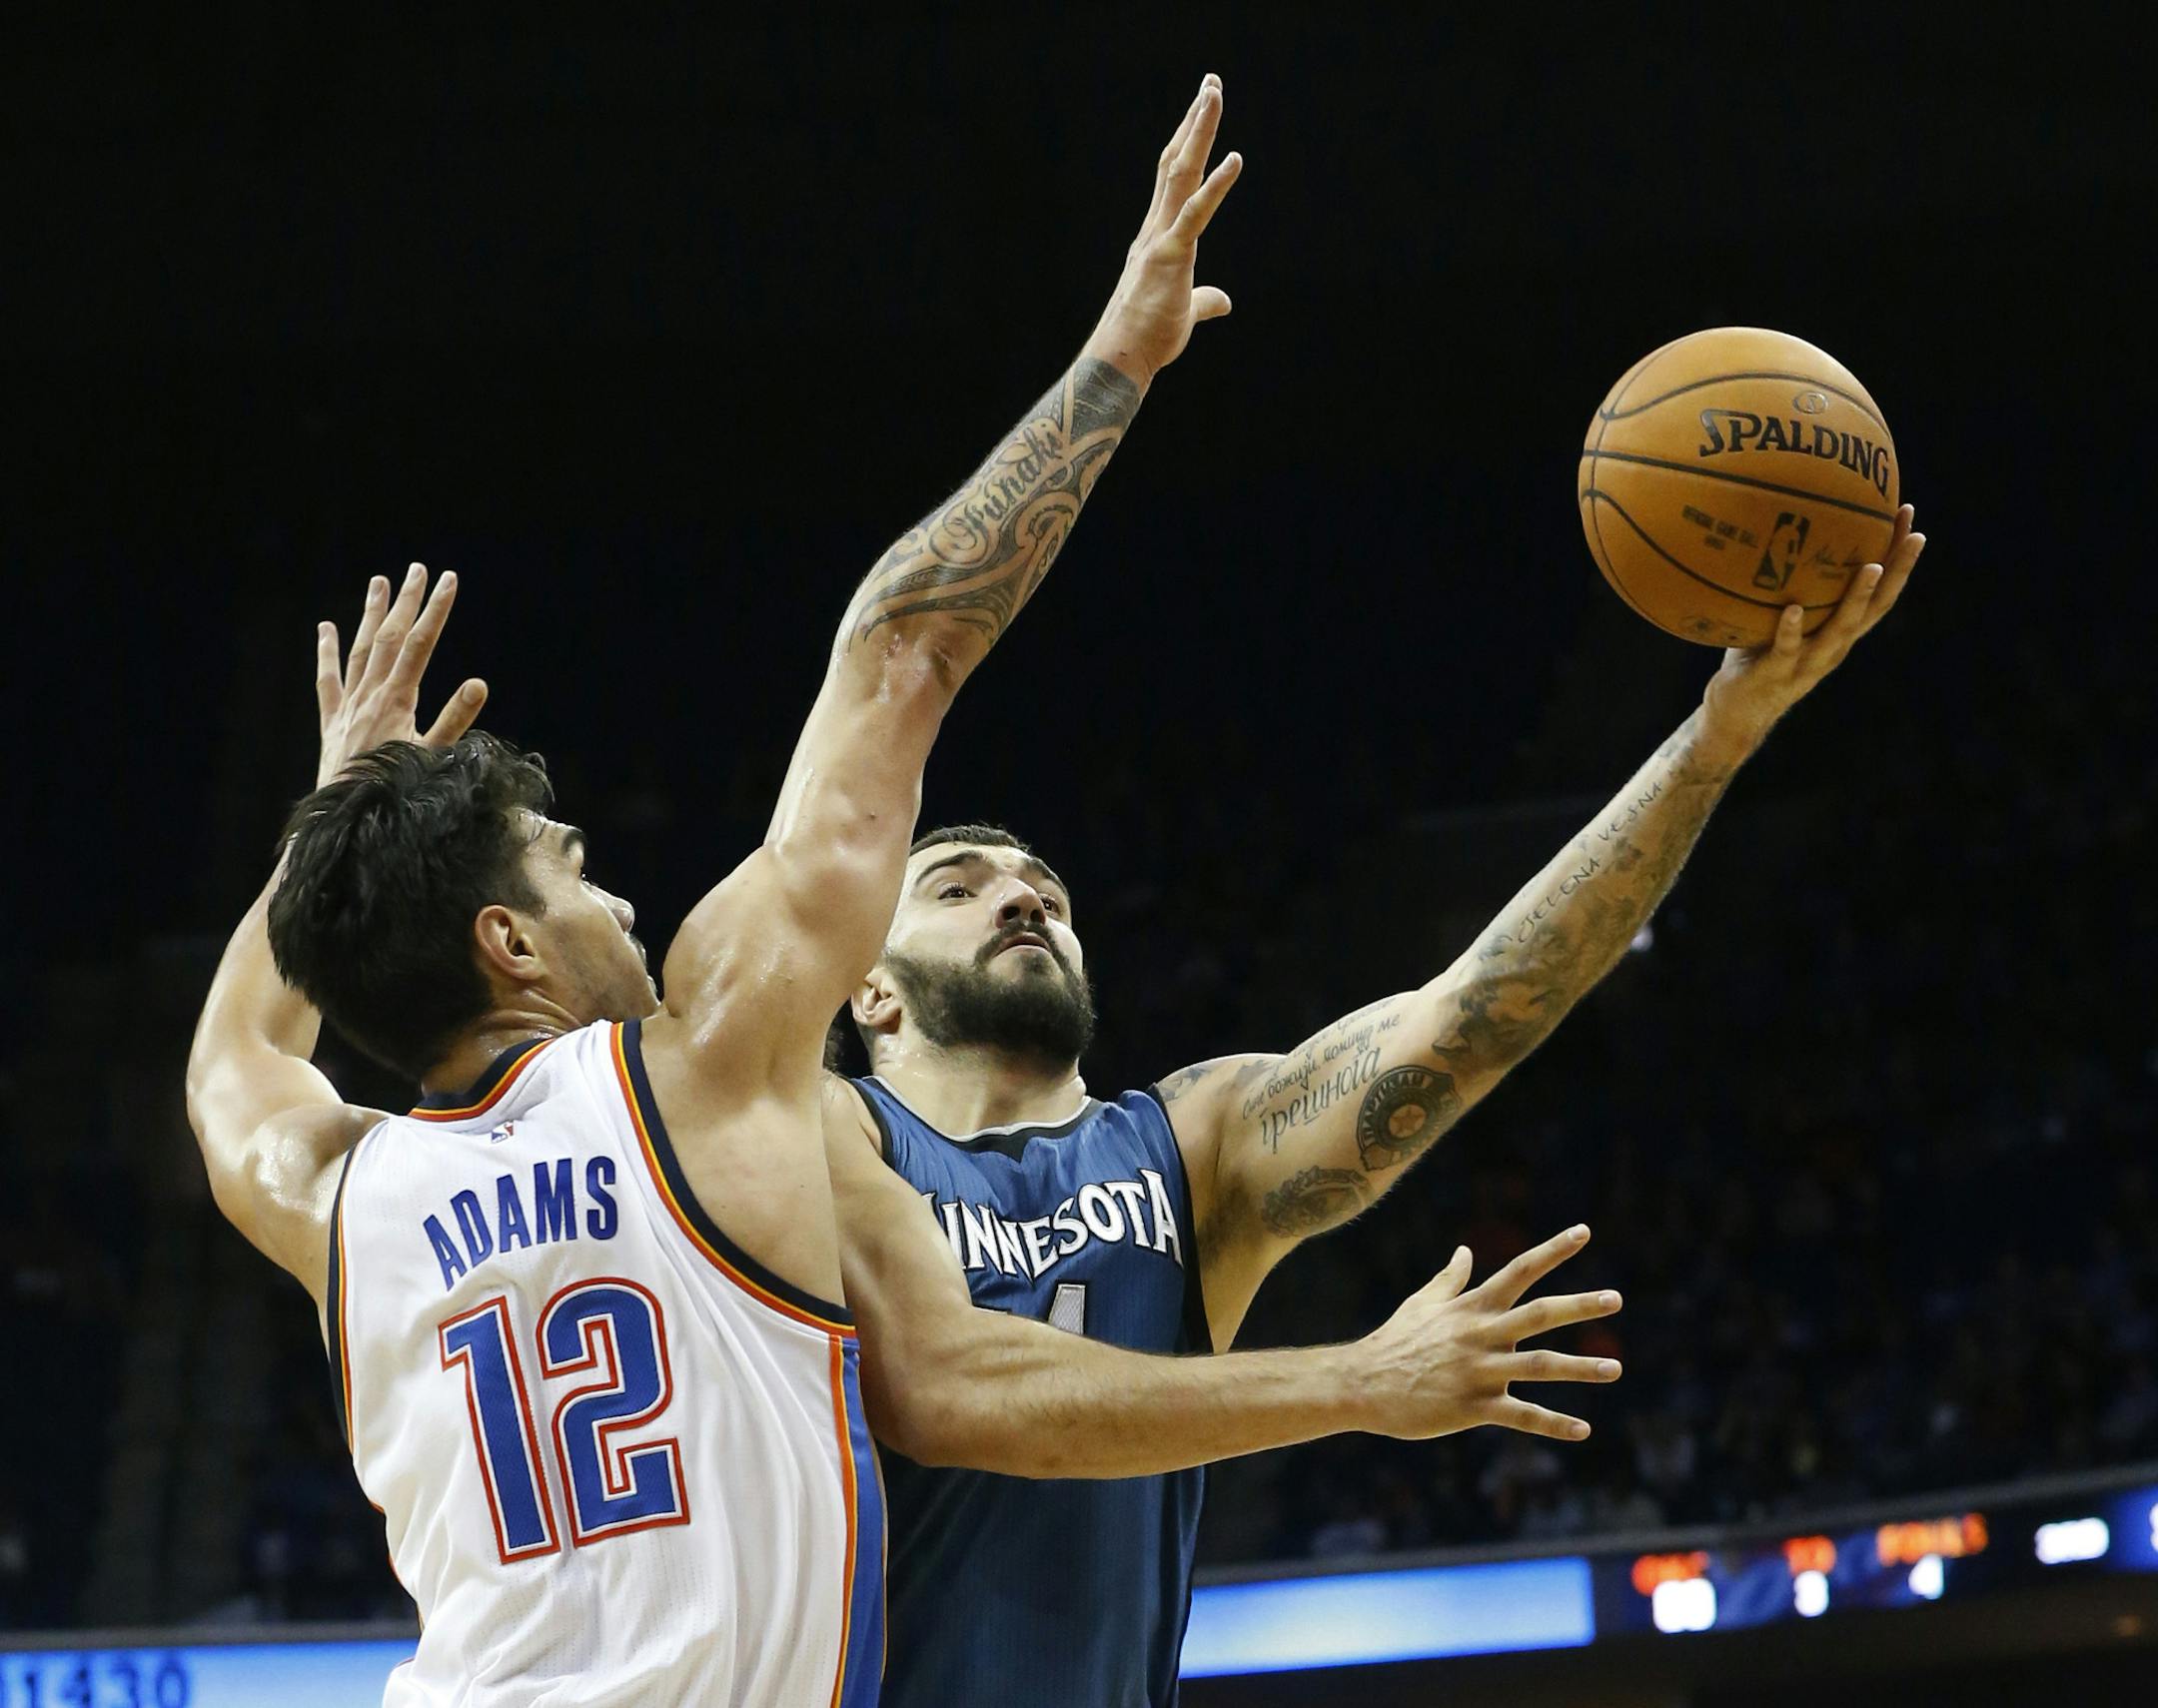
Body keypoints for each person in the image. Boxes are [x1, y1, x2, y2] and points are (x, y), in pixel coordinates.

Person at [187, 75, 1624, 1708]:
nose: (623, 909)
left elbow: (233, 1063)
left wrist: (332, 820)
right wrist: (1117, 365)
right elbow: (900, 651)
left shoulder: (335, 1194)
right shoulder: (705, 1069)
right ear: (506, 942)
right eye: (575, 877)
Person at [830, 507, 1927, 1706]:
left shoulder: (1187, 1145)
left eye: (1049, 892)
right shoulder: (829, 1143)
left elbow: (1476, 1008)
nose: (1023, 902)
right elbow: (943, 1392)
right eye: (956, 887)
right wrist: (1359, 1379)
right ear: (868, 987)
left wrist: (1714, 743)